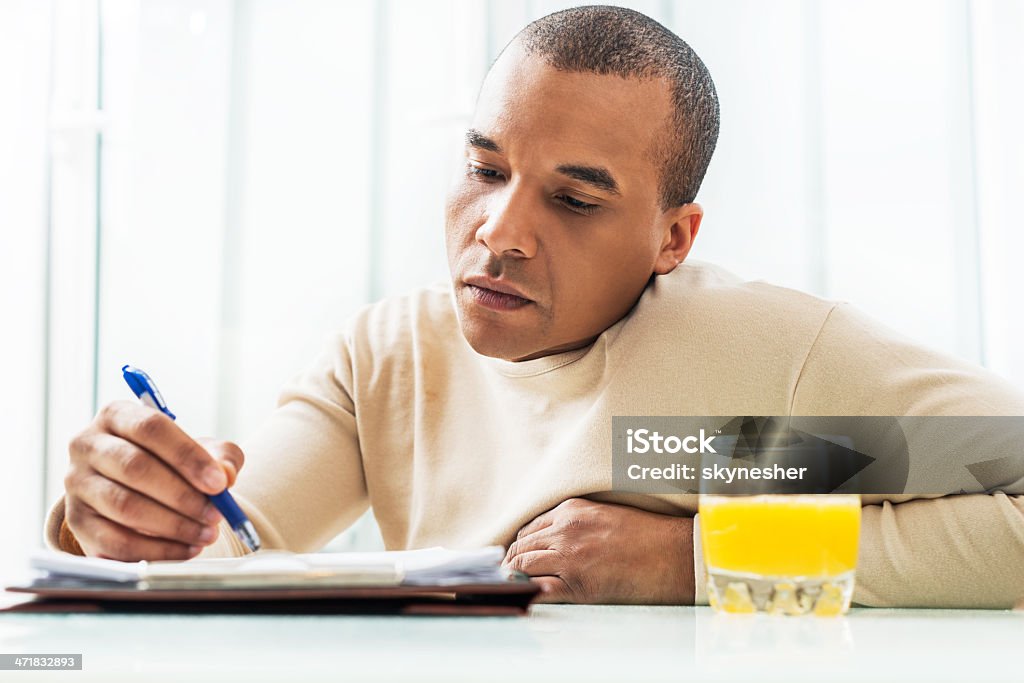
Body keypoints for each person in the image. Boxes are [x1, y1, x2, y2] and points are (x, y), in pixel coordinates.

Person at [48, 6, 1024, 608]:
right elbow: (231, 548)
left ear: (672, 240)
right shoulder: (387, 358)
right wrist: (131, 521)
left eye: (573, 198)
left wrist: (697, 555)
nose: (498, 231)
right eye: (483, 168)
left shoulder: (769, 358)